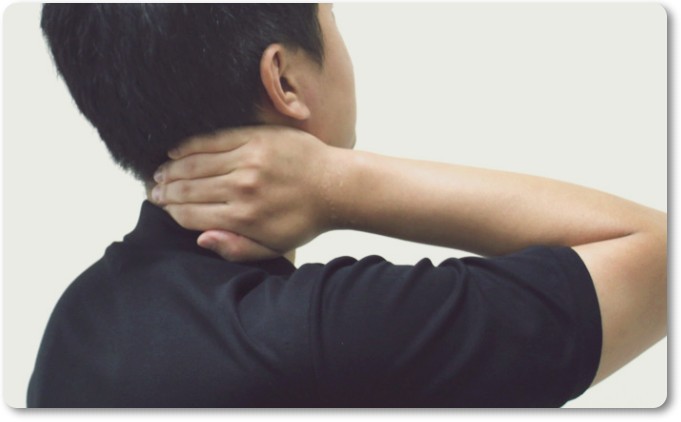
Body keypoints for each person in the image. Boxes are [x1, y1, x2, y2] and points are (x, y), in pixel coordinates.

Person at [28, 3, 666, 407]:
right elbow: (662, 256)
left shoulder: (75, 321)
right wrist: (337, 183)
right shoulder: (327, 332)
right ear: (284, 80)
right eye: (331, 13)